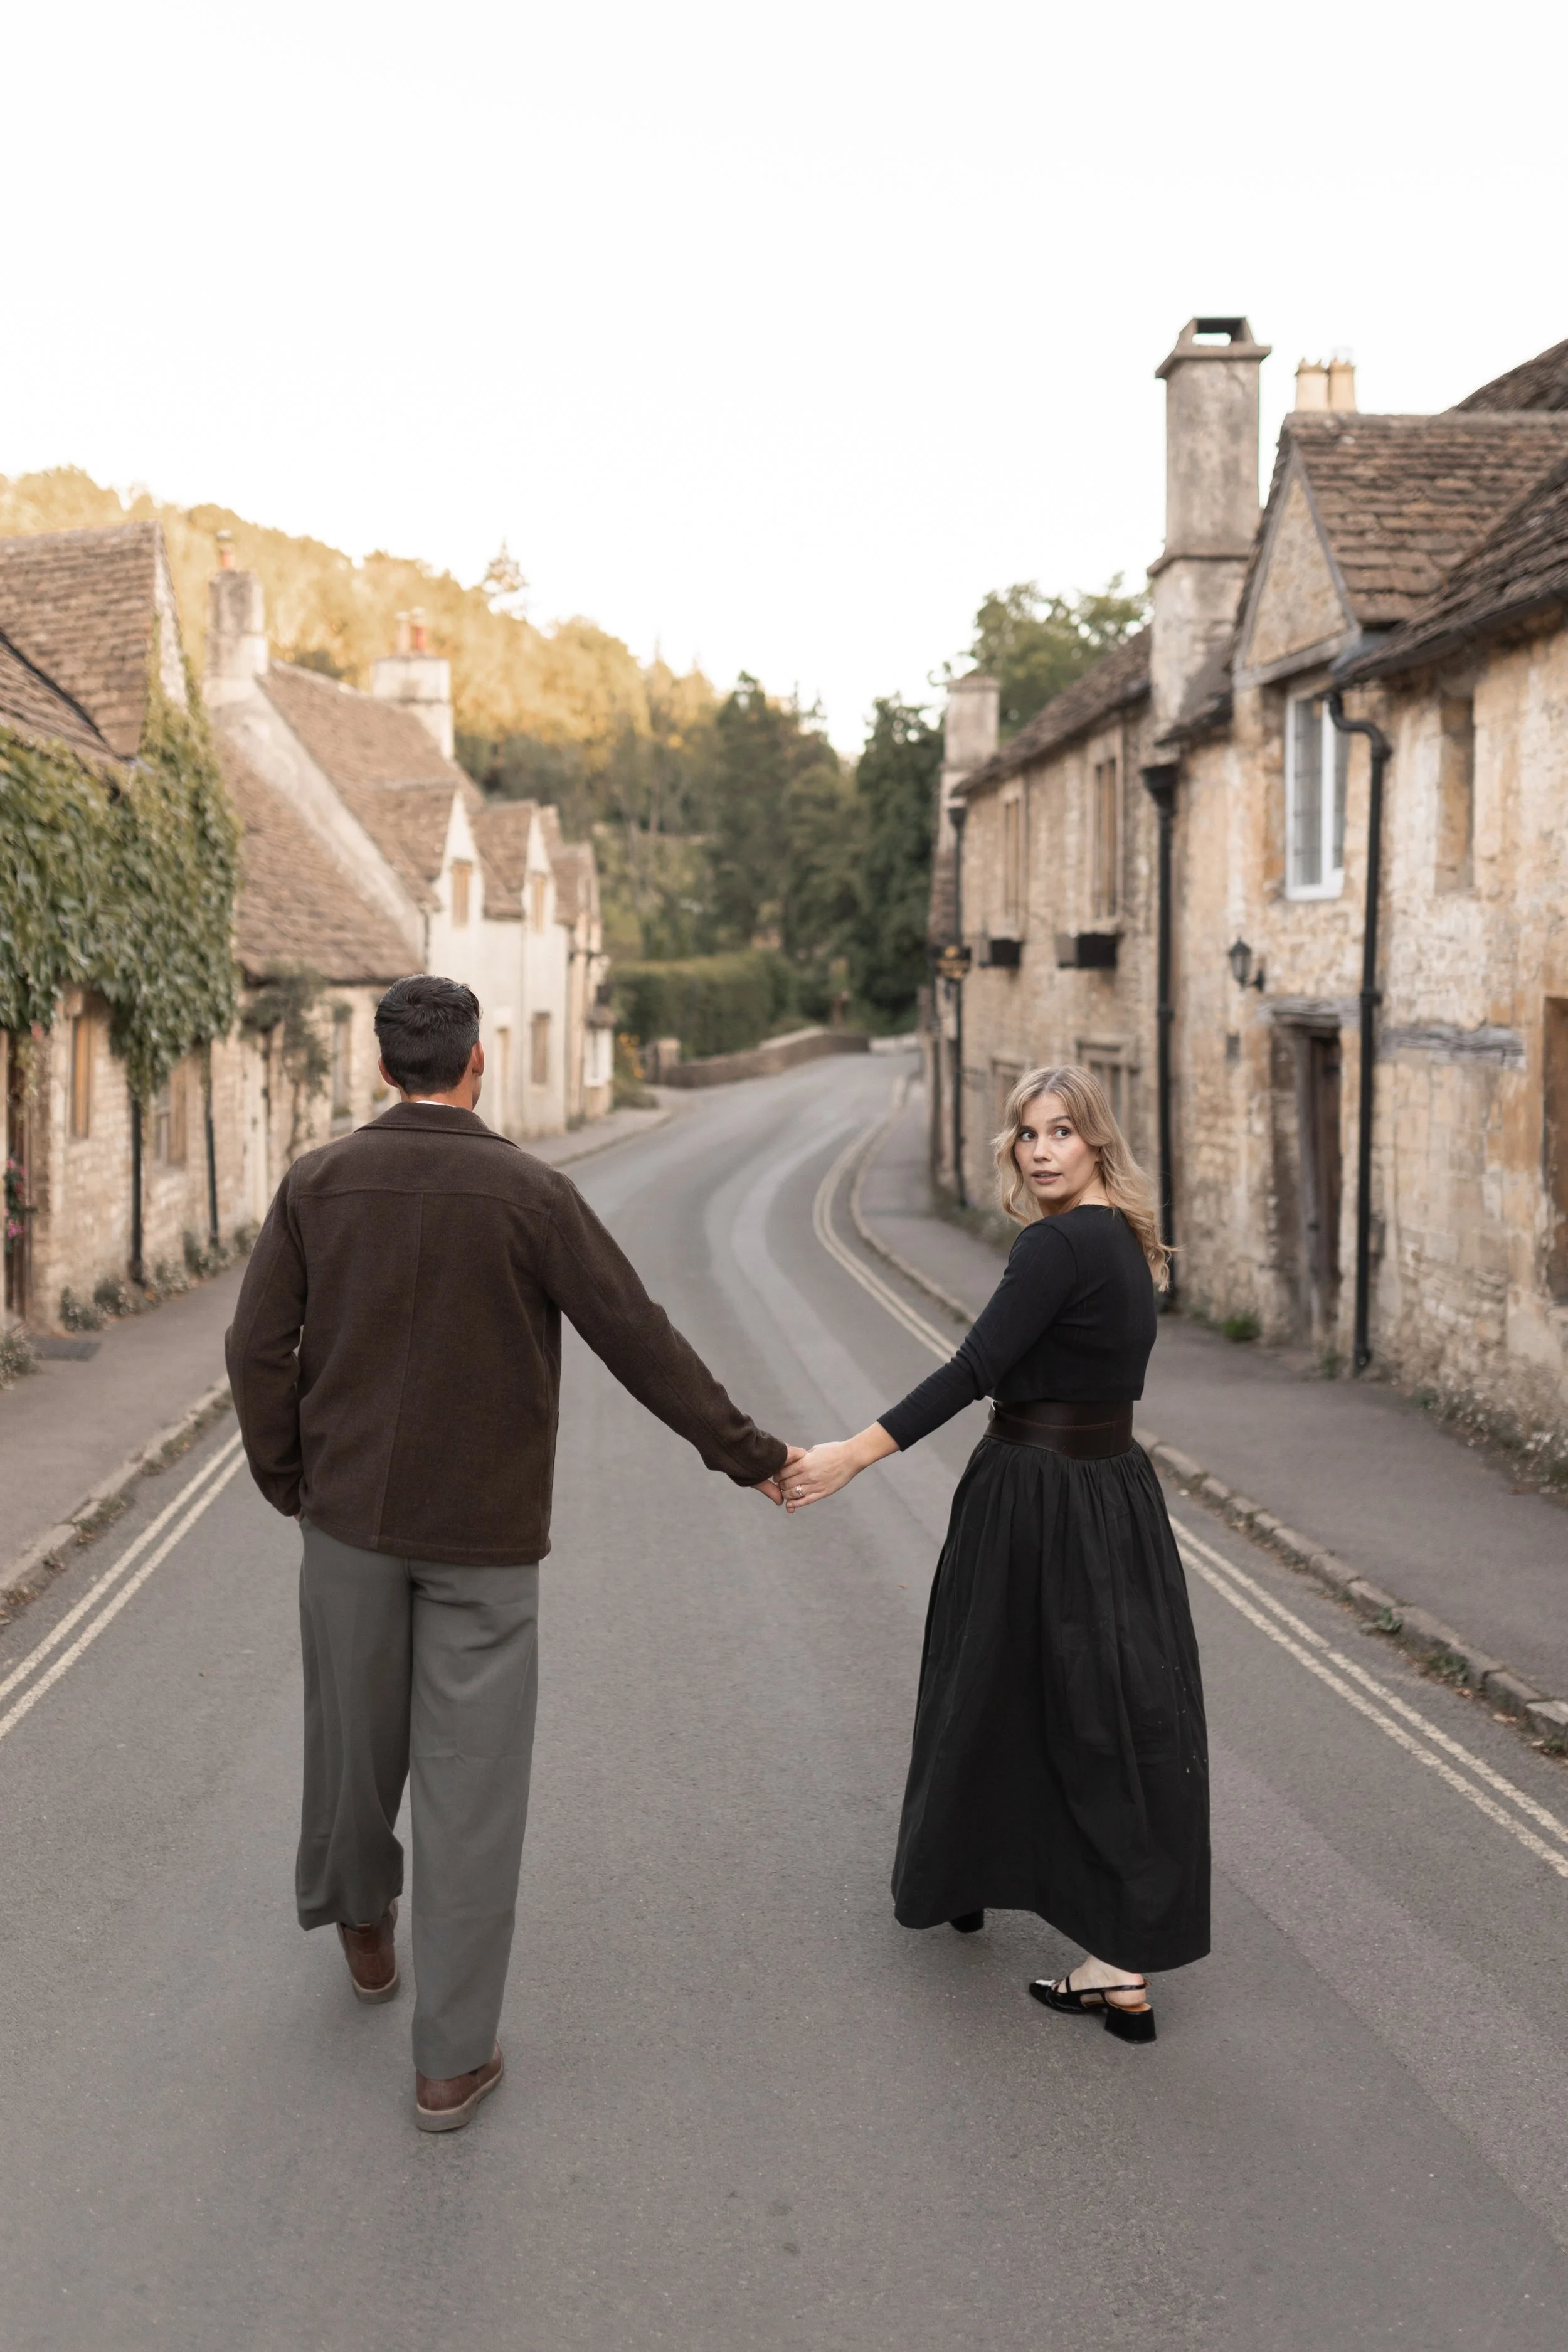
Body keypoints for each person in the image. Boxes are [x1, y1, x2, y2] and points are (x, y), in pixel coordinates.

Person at [226, 974, 798, 2131]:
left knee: (349, 1741)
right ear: (479, 1061)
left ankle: (362, 1921)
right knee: (473, 1794)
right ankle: (450, 2064)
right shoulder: (533, 1194)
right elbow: (640, 1337)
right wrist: (751, 1454)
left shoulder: (317, 1183)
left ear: (382, 1066)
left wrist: (293, 1481)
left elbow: (254, 1347)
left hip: (345, 1525)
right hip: (483, 1546)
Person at [783, 1064, 1208, 2043]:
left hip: (1035, 1490)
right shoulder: (1126, 1242)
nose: (1043, 1148)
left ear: (1096, 1139)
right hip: (1113, 1489)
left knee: (998, 1688)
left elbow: (974, 1370)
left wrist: (852, 1454)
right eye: (1028, 1133)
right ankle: (1010, 1894)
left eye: (1062, 1130)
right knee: (1089, 1700)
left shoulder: (1055, 1245)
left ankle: (1111, 1955)